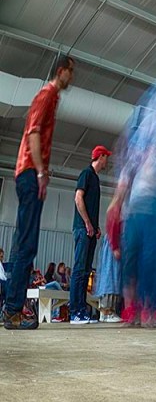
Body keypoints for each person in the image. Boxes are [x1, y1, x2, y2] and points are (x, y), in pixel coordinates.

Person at [2, 54, 75, 330]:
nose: (73, 77)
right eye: (71, 71)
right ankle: (12, 311)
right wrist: (41, 171)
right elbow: (32, 133)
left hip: (29, 172)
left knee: (23, 242)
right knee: (27, 244)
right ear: (61, 71)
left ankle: (11, 309)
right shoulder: (46, 95)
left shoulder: (51, 99)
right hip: (29, 173)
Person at [69, 145, 111, 324]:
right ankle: (74, 312)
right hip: (82, 229)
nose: (107, 161)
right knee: (79, 270)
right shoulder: (86, 174)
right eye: (106, 157)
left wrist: (96, 226)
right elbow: (78, 198)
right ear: (100, 157)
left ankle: (82, 311)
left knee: (86, 271)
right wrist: (86, 223)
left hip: (91, 231)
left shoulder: (95, 178)